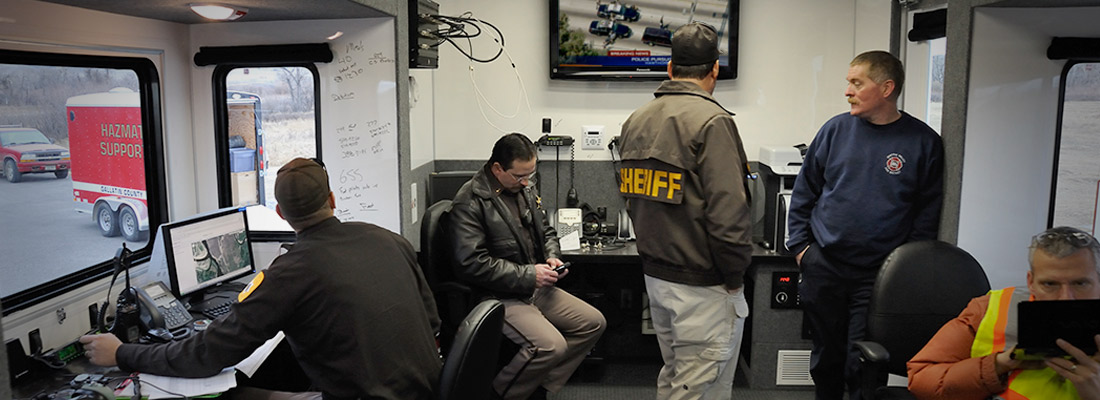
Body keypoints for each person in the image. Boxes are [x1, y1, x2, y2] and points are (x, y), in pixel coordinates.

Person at [80, 158, 443, 400]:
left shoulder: (289, 273)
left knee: (234, 395)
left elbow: (209, 355)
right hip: (425, 388)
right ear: (332, 198)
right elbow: (433, 320)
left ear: (281, 213)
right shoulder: (388, 238)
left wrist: (123, 353)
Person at [786, 50, 944, 400]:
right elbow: (805, 191)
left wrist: (904, 268)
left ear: (886, 88)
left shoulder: (923, 142)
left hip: (878, 275)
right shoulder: (835, 130)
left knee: (865, 361)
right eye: (849, 83)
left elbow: (926, 215)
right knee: (825, 357)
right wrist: (800, 248)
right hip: (824, 264)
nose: (848, 91)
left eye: (857, 83)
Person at [617, 22, 753, 400]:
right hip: (704, 284)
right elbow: (728, 215)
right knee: (695, 387)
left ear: (670, 68)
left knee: (679, 376)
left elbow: (631, 197)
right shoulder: (712, 122)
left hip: (658, 278)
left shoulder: (637, 120)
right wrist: (734, 275)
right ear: (714, 70)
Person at [447, 133, 606, 400]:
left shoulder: (524, 189)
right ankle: (501, 394)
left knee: (593, 323)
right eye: (519, 176)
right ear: (497, 168)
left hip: (532, 286)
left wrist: (552, 257)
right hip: (497, 295)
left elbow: (546, 231)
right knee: (550, 346)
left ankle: (538, 388)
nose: (526, 182)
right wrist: (529, 274)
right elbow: (471, 264)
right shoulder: (470, 201)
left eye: (530, 175)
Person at [908, 226, 1100, 400]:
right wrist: (998, 365)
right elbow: (921, 379)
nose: (1065, 298)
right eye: (1050, 284)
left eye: (1080, 283)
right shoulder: (991, 307)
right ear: (1031, 282)